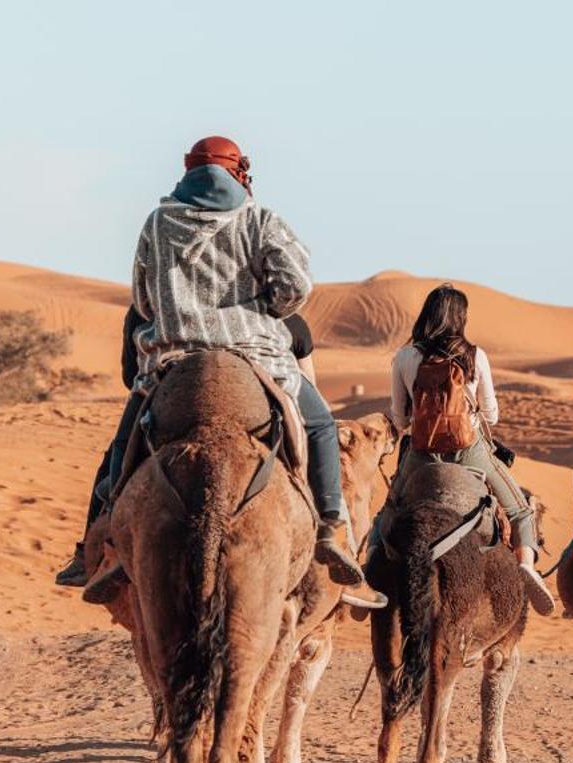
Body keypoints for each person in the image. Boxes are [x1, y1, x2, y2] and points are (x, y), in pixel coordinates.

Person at [58, 136, 365, 593]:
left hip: (174, 357)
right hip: (256, 354)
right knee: (319, 425)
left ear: (188, 170)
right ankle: (329, 527)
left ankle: (95, 547)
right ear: (239, 172)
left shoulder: (159, 222)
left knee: (124, 445)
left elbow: (143, 298)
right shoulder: (260, 220)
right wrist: (265, 307)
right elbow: (296, 286)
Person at [382, 283, 556, 615]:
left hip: (421, 454)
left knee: (389, 510)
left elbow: (400, 417)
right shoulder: (475, 356)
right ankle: (526, 564)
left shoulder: (405, 356)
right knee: (519, 509)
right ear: (461, 318)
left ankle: (371, 572)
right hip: (468, 450)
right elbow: (491, 414)